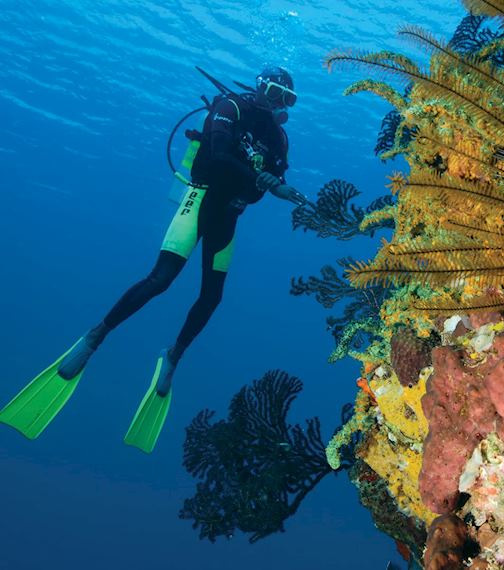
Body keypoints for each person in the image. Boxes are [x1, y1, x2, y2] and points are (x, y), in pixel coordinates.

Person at [0, 65, 307, 452]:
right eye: (275, 93)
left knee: (212, 296)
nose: (279, 103)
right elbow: (217, 153)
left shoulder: (278, 138)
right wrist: (264, 181)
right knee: (160, 280)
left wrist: (271, 185)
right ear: (260, 88)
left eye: (287, 99)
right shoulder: (230, 108)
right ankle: (95, 336)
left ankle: (174, 356)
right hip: (199, 199)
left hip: (229, 215)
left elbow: (271, 182)